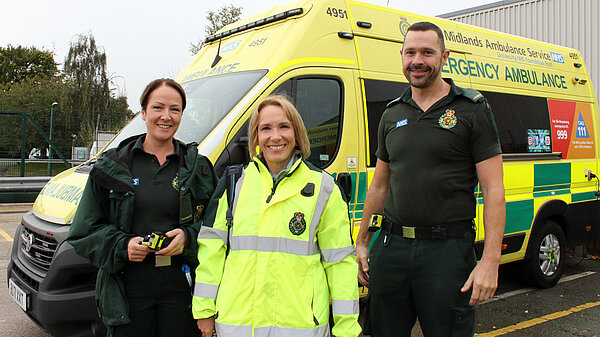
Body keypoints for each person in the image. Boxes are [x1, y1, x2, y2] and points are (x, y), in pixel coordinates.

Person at [356, 22, 506, 337]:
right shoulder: (391, 114)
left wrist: (490, 260)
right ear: (401, 56)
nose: (418, 60)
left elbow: (493, 189)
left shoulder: (471, 110)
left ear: (444, 56)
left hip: (447, 252)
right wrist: (362, 242)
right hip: (391, 247)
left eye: (427, 52)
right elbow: (380, 185)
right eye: (410, 52)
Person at [192, 95, 362, 337]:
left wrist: (347, 327)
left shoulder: (324, 187)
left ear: (297, 133)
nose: (275, 136)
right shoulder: (234, 183)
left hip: (300, 327)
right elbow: (212, 249)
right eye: (265, 128)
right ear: (256, 136)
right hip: (237, 325)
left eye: (284, 126)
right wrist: (204, 309)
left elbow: (340, 262)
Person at [67, 78, 218, 337]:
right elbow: (83, 232)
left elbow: (216, 227)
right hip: (127, 289)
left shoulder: (198, 168)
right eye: (158, 107)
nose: (166, 117)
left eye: (175, 109)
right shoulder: (111, 166)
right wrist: (122, 246)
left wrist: (188, 237)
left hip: (181, 289)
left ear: (182, 114)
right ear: (144, 112)